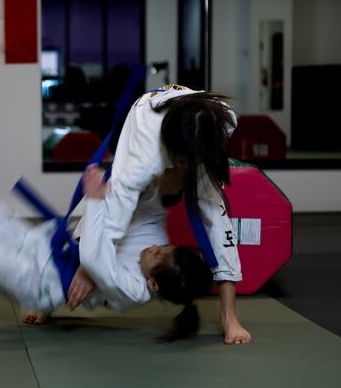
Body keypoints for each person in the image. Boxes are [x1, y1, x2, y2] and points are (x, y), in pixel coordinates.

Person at [0, 163, 214, 342]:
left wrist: (93, 199)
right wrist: (159, 172)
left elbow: (93, 258)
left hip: (36, 282)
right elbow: (153, 205)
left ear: (153, 284)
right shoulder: (155, 241)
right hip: (43, 245)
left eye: (156, 256)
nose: (153, 246)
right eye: (162, 246)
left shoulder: (132, 289)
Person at [67, 84, 252, 345]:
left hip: (195, 126)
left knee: (214, 211)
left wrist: (197, 164)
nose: (186, 172)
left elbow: (218, 226)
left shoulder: (222, 120)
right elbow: (112, 220)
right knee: (102, 201)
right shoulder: (142, 159)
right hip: (145, 118)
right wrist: (89, 267)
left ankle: (229, 314)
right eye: (182, 165)